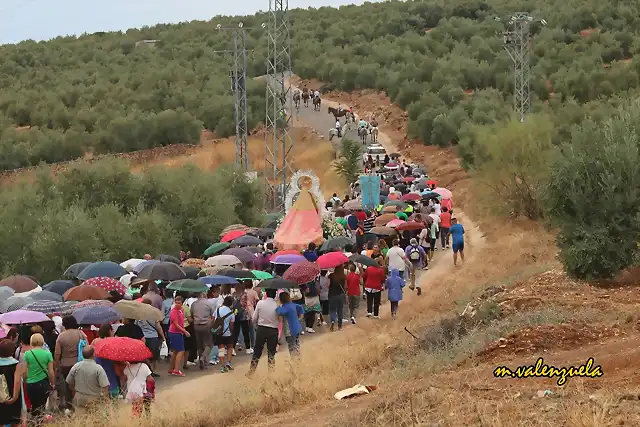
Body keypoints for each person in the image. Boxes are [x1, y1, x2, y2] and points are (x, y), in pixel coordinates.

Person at [54, 316, 87, 411]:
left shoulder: (61, 336)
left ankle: (69, 405)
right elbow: (87, 347)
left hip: (66, 364)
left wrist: (57, 366)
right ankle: (80, 403)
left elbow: (57, 354)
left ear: (64, 324)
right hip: (80, 362)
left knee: (68, 385)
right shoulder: (81, 334)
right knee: (80, 384)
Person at [247, 289, 279, 377]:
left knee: (257, 351)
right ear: (275, 295)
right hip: (273, 330)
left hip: (262, 329)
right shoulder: (277, 304)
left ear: (266, 294)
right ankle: (271, 373)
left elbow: (254, 318)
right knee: (271, 353)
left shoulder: (260, 303)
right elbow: (280, 320)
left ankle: (251, 371)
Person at [23, 333, 55, 420]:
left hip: (30, 383)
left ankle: (34, 421)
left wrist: (25, 381)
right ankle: (39, 422)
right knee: (42, 406)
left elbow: (24, 371)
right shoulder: (48, 354)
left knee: (33, 405)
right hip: (43, 382)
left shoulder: (27, 354)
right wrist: (52, 383)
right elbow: (51, 372)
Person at [136, 299, 166, 376]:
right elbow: (158, 327)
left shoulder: (138, 315)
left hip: (142, 337)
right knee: (153, 356)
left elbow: (136, 326)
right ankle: (152, 371)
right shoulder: (153, 314)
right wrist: (163, 337)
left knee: (144, 355)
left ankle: (145, 371)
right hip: (153, 337)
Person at [0, 339, 24, 427]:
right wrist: (14, 397)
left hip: (0, 395)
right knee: (14, 421)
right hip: (12, 393)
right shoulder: (17, 364)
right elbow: (17, 381)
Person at [275, 291, 304, 357]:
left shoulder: (285, 307)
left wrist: (278, 305)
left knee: (292, 347)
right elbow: (301, 307)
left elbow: (278, 311)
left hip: (290, 330)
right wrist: (301, 316)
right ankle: (299, 360)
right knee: (297, 345)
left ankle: (295, 362)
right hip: (297, 328)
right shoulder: (293, 305)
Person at [191, 292, 214, 370]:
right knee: (209, 344)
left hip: (196, 326)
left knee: (199, 345)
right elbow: (212, 315)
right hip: (206, 325)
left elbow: (192, 314)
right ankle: (203, 357)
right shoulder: (208, 303)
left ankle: (202, 362)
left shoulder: (194, 304)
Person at [167, 296, 190, 377]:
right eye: (176, 302)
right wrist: (184, 331)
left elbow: (181, 322)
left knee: (175, 351)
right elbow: (176, 324)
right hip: (174, 332)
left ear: (182, 303)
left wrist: (183, 330)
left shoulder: (181, 310)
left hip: (178, 332)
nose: (177, 304)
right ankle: (176, 370)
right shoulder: (173, 311)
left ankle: (171, 369)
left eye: (179, 303)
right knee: (181, 350)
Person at [213, 296, 236, 373]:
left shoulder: (218, 309)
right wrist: (231, 332)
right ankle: (229, 362)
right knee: (230, 347)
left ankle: (222, 366)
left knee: (221, 349)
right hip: (227, 333)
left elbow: (213, 319)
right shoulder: (231, 313)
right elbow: (232, 325)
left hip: (219, 332)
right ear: (231, 304)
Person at [328, 265, 347, 332]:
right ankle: (340, 326)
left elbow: (328, 285)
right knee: (340, 311)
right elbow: (345, 287)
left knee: (332, 310)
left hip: (332, 295)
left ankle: (333, 321)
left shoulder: (331, 275)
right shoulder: (343, 276)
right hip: (341, 295)